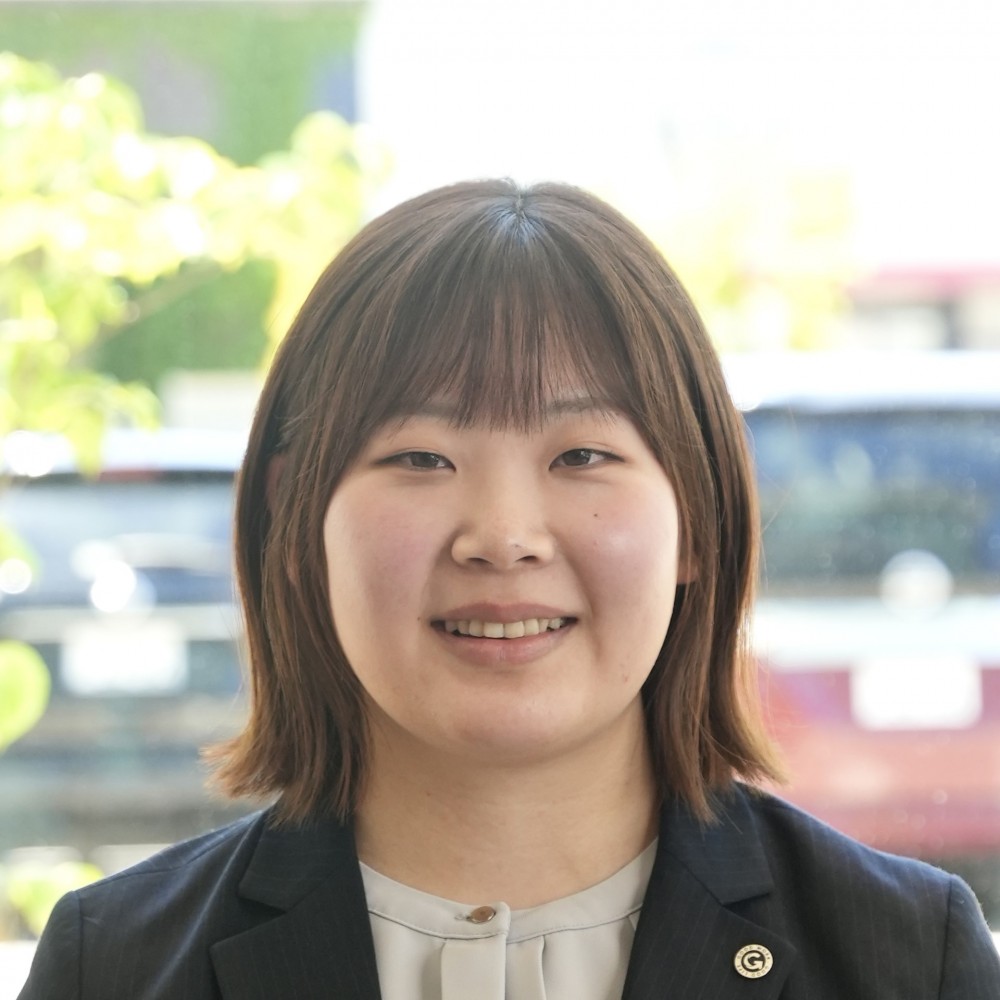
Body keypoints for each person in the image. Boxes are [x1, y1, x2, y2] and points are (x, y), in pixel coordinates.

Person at [19, 179, 1000, 1000]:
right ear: (295, 519)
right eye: (419, 456)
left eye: (580, 454)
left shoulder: (909, 958)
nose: (502, 537)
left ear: (696, 517)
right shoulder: (115, 965)